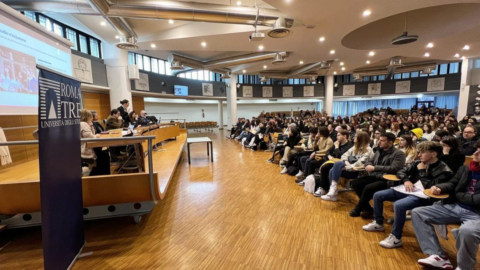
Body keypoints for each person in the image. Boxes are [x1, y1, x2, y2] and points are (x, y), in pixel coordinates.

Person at [362, 141, 453, 248]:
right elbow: (401, 171)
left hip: (425, 196)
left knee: (399, 205)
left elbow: (432, 187)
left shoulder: (444, 169)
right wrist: (406, 180)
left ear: (433, 154)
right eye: (419, 152)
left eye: (422, 152)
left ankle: (396, 237)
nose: (419, 155)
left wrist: (422, 171)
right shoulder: (417, 163)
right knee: (378, 195)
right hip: (409, 190)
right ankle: (378, 223)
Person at [411, 140, 480, 270]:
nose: (476, 152)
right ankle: (437, 256)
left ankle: (465, 267)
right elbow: (453, 183)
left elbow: (476, 200)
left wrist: (457, 194)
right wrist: (439, 187)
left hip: (476, 214)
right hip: (456, 207)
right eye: (477, 149)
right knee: (418, 212)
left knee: (467, 231)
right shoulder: (467, 168)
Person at [350, 133, 406, 218]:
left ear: (390, 143)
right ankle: (368, 209)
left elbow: (394, 168)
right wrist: (368, 165)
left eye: (382, 141)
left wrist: (375, 168)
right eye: (379, 140)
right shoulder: (378, 151)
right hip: (375, 176)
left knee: (368, 188)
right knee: (355, 183)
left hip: (388, 179)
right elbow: (369, 161)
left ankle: (358, 208)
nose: (379, 142)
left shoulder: (399, 154)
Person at [321, 131, 373, 201]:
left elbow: (360, 163)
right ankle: (333, 191)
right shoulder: (355, 147)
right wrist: (346, 162)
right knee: (332, 170)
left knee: (336, 165)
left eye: (355, 136)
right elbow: (343, 156)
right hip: (351, 169)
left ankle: (333, 191)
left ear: (360, 138)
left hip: (360, 172)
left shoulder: (368, 150)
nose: (353, 137)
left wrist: (347, 167)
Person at [312, 130, 354, 196]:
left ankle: (323, 188)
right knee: (314, 162)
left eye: (339, 135)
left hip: (340, 163)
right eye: (337, 135)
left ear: (345, 136)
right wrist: (329, 156)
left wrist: (337, 147)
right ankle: (319, 184)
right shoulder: (337, 142)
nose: (337, 137)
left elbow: (340, 155)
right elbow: (328, 151)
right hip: (331, 160)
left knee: (324, 167)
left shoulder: (349, 145)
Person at [80, 109, 110, 176]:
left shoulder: (83, 124)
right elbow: (90, 137)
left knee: (103, 153)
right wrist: (96, 135)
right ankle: (101, 175)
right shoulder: (83, 124)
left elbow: (91, 135)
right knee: (104, 156)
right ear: (87, 116)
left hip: (86, 147)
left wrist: (91, 126)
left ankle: (99, 174)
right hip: (86, 150)